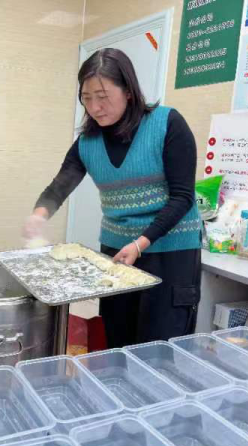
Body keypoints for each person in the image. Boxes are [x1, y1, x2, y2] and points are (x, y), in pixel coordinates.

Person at [23, 48, 201, 349]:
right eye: (86, 98)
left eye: (102, 96)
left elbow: (182, 197)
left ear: (128, 91)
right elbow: (59, 186)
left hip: (169, 252)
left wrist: (140, 243)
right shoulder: (87, 142)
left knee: (160, 345)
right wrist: (38, 216)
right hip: (117, 252)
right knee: (117, 339)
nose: (94, 107)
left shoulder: (167, 123)